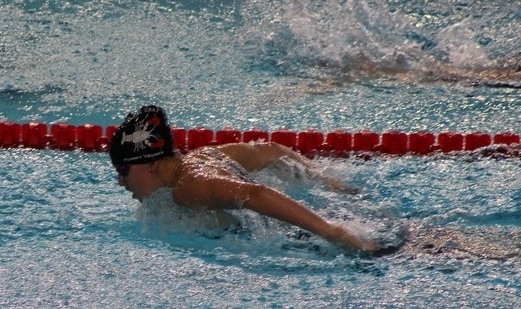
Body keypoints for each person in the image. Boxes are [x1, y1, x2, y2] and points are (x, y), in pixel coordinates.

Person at [109, 105, 379, 254]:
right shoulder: (204, 156)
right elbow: (272, 151)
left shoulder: (189, 187)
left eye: (123, 171)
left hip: (301, 240)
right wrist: (331, 183)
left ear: (152, 165)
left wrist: (333, 233)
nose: (122, 183)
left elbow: (256, 194)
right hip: (309, 224)